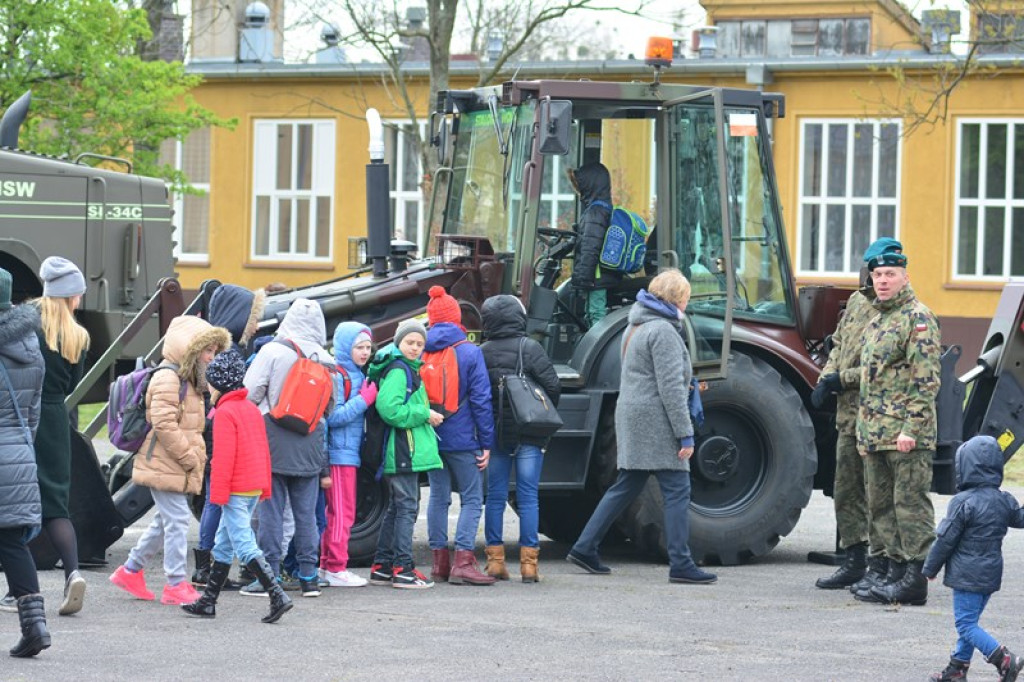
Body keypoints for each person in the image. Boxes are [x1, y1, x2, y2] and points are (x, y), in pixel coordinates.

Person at [567, 270, 716, 585]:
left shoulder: (635, 325)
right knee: (677, 489)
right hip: (655, 420)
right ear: (677, 299)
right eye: (686, 297)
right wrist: (685, 432)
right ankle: (681, 563)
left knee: (626, 485)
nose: (688, 303)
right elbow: (670, 388)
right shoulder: (663, 331)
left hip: (632, 414)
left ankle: (584, 547)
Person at [110, 315, 229, 605]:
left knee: (165, 520)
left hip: (172, 462)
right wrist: (189, 457)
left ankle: (130, 570)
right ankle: (175, 584)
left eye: (214, 351)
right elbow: (163, 424)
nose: (211, 358)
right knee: (176, 519)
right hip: (166, 461)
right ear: (189, 348)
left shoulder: (188, 379)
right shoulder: (168, 377)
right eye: (207, 351)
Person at [856, 239, 942, 606]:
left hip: (905, 433)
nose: (883, 280)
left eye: (890, 274)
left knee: (909, 505)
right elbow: (871, 378)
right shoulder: (879, 318)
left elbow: (926, 380)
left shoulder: (917, 318)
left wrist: (912, 428)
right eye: (878, 274)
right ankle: (892, 569)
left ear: (905, 277)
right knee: (881, 506)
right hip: (875, 432)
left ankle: (915, 578)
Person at [182, 350, 292, 623]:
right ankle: (208, 602)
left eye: (210, 381)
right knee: (224, 543)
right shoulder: (251, 409)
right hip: (253, 486)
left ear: (219, 384)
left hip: (235, 488)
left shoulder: (224, 413)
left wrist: (217, 495)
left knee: (243, 544)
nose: (207, 386)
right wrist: (265, 486)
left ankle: (277, 594)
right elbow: (263, 452)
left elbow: (223, 459)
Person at [242, 298, 331, 598]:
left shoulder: (272, 351)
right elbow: (330, 405)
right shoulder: (325, 358)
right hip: (310, 442)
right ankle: (309, 577)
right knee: (306, 514)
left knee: (271, 512)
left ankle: (269, 575)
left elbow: (251, 391)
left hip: (273, 441)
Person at [922, 436, 1024, 682]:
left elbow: (945, 539)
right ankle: (957, 669)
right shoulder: (1004, 500)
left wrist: (930, 568)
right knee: (969, 623)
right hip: (990, 575)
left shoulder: (963, 502)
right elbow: (1020, 518)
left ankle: (1003, 658)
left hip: (966, 575)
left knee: (966, 625)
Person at [25, 257, 90, 617]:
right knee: (55, 505)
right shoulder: (78, 336)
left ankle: (18, 590)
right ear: (69, 296)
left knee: (20, 503)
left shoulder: (26, 326)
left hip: (24, 415)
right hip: (54, 419)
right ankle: (73, 572)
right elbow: (74, 383)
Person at [480, 294, 561, 583]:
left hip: (496, 434)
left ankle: (495, 562)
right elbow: (553, 387)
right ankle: (529, 566)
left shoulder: (483, 351)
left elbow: (477, 395)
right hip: (529, 433)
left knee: (495, 497)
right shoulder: (531, 347)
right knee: (528, 497)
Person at [192, 284, 266, 588]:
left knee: (216, 504)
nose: (256, 324)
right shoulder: (230, 354)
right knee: (216, 501)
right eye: (253, 317)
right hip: (220, 430)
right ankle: (207, 569)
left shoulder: (219, 350)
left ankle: (209, 576)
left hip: (214, 427)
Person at [423, 286, 496, 586]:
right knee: (471, 497)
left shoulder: (422, 349)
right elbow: (481, 400)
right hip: (464, 438)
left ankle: (439, 563)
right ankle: (464, 561)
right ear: (456, 318)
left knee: (438, 497)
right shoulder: (469, 351)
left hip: (431, 436)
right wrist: (487, 442)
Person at [811, 266, 877, 591]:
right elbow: (838, 344)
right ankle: (854, 560)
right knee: (846, 491)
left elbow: (885, 367)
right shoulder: (856, 302)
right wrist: (826, 378)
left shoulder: (896, 311)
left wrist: (843, 379)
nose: (873, 274)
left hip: (878, 417)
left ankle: (881, 567)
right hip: (848, 416)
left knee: (877, 493)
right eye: (871, 267)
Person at [367, 319, 443, 589]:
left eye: (420, 344)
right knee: (407, 508)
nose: (415, 348)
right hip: (401, 449)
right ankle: (403, 569)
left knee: (397, 508)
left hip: (400, 449)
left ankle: (383, 566)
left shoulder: (406, 368)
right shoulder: (400, 370)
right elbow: (390, 409)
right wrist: (425, 413)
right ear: (399, 342)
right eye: (410, 342)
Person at [0, 267, 50, 657]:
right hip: (17, 452)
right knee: (13, 544)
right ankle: (36, 627)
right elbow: (32, 413)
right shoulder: (30, 344)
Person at [319, 321, 377, 588]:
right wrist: (365, 399)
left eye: (367, 347)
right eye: (358, 347)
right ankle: (335, 567)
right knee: (342, 513)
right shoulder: (339, 375)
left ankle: (326, 564)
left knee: (337, 512)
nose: (364, 352)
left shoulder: (355, 373)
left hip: (348, 454)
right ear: (344, 347)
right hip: (339, 455)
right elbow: (334, 417)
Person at [569, 162, 623, 327]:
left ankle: (598, 346)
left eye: (580, 185)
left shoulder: (595, 213)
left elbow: (590, 247)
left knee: (595, 312)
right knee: (591, 312)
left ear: (589, 186)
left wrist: (583, 279)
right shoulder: (604, 208)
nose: (578, 189)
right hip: (599, 274)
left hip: (597, 275)